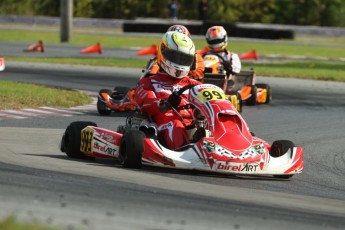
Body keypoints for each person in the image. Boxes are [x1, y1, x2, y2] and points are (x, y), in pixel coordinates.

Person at [135, 31, 201, 150]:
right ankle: (186, 153)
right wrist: (164, 104)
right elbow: (145, 103)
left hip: (192, 125)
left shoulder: (195, 84)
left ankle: (234, 152)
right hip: (163, 127)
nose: (180, 63)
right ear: (163, 52)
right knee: (175, 124)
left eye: (184, 59)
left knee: (211, 126)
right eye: (176, 57)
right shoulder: (149, 82)